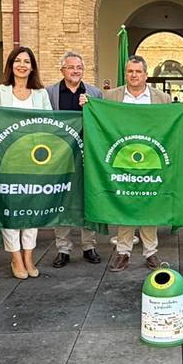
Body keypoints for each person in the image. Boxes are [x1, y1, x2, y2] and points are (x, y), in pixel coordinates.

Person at [103, 55, 171, 273]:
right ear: (126, 73)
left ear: (146, 74)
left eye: (138, 72)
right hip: (122, 159)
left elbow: (172, 123)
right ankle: (123, 252)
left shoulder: (163, 99)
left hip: (150, 159)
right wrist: (89, 105)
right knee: (125, 203)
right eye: (130, 71)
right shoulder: (111, 96)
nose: (134, 75)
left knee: (148, 203)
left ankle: (151, 252)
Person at [0, 46, 51, 280]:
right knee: (10, 208)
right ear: (11, 65)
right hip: (7, 159)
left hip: (34, 159)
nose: (22, 65)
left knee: (31, 208)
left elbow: (49, 124)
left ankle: (29, 256)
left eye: (27, 61)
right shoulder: (0, 91)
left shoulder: (41, 94)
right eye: (18, 61)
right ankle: (15, 257)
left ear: (32, 66)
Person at [45, 51, 104, 268]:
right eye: (71, 67)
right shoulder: (49, 92)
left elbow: (102, 123)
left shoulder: (94, 92)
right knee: (62, 200)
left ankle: (89, 246)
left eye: (79, 67)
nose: (76, 71)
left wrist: (90, 108)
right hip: (60, 156)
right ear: (62, 70)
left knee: (87, 199)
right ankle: (63, 248)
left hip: (87, 155)